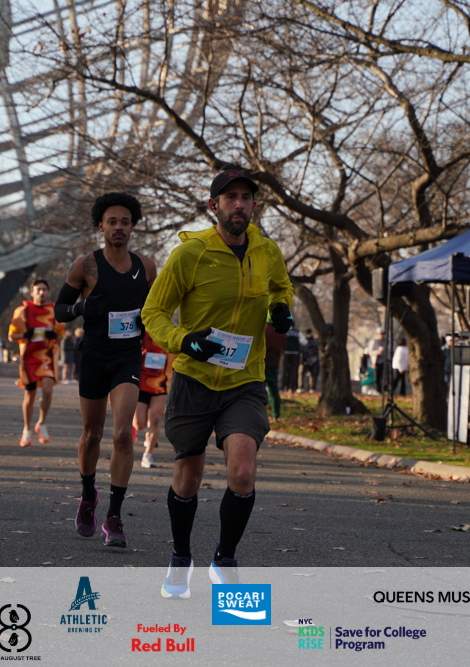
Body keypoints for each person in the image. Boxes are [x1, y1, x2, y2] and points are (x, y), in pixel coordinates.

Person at [142, 169, 293, 597]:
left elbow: (281, 288)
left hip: (244, 380)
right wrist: (184, 341)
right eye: (230, 197)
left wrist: (280, 309)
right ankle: (180, 558)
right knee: (188, 477)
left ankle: (224, 559)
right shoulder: (190, 254)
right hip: (194, 379)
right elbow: (153, 313)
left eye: (246, 197)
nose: (239, 204)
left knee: (242, 469)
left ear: (254, 205)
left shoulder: (267, 251)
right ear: (214, 206)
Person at [54, 192, 156, 549]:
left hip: (127, 357)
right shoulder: (86, 265)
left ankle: (114, 517)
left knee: (123, 435)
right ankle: (87, 495)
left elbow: (155, 311)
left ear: (133, 226)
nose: (119, 227)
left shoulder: (147, 267)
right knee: (92, 434)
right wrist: (82, 308)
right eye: (112, 221)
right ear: (101, 225)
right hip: (95, 357)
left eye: (125, 222)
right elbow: (60, 310)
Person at [8, 279, 65, 447]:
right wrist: (26, 334)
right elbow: (12, 336)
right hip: (29, 358)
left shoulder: (54, 311)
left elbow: (60, 335)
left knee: (48, 389)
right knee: (30, 395)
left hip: (47, 356)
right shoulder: (22, 311)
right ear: (31, 292)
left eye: (44, 289)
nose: (41, 292)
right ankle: (27, 429)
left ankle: (41, 423)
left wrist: (54, 336)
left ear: (48, 292)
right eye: (38, 289)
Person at [133, 332, 175, 468]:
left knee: (155, 419)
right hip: (141, 383)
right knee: (139, 424)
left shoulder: (170, 334)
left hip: (161, 384)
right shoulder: (141, 334)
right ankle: (140, 431)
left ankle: (148, 454)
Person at [264, 320, 285, 420]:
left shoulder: (264, 330)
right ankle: (276, 415)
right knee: (274, 391)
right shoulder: (281, 332)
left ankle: (258, 415)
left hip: (262, 364)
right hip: (274, 364)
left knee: (257, 391)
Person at [367, 327, 387, 394]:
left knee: (383, 376)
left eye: (382, 334)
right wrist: (377, 352)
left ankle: (383, 389)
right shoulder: (374, 341)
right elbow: (370, 351)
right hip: (376, 361)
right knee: (377, 376)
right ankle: (378, 390)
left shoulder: (385, 341)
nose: (381, 335)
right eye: (380, 334)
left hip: (384, 361)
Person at [281, 325, 301, 393]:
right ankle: (292, 387)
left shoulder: (285, 332)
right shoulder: (297, 332)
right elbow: (304, 342)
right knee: (293, 370)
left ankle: (284, 386)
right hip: (295, 353)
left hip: (286, 352)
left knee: (285, 370)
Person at [300, 328, 319, 392]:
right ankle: (312, 388)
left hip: (305, 359)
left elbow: (302, 350)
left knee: (301, 373)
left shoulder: (304, 341)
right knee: (313, 375)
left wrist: (303, 359)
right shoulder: (315, 341)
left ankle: (301, 387)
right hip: (314, 359)